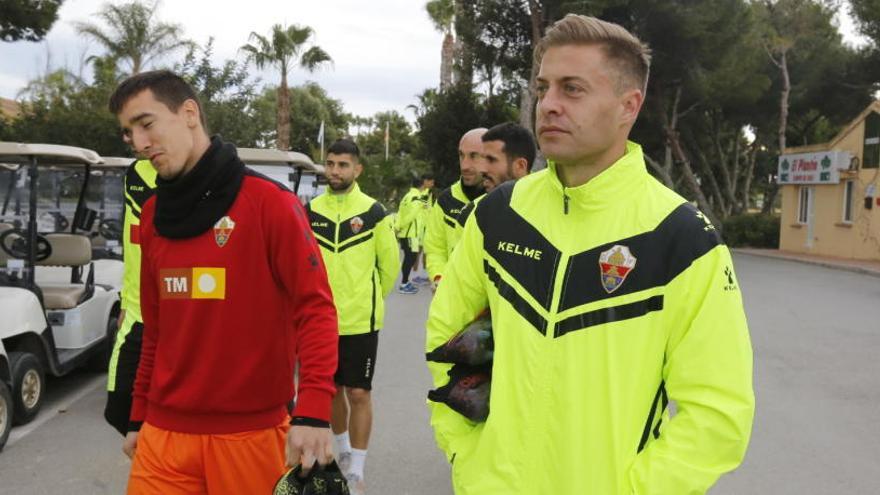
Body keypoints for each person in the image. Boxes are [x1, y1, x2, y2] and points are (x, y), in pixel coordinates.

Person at [425, 14, 754, 494]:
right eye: (544, 88)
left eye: (572, 89)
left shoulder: (682, 237)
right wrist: (466, 453)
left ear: (629, 105)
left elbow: (717, 412)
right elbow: (446, 337)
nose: (549, 105)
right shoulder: (499, 215)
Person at [109, 70, 339, 495]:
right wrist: (138, 417)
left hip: (250, 436)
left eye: (147, 124)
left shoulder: (270, 203)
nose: (140, 144)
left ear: (189, 113)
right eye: (129, 133)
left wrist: (312, 412)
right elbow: (155, 332)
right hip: (163, 438)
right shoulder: (153, 215)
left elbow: (316, 309)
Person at [305, 139, 399, 495]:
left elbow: (388, 269)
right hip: (320, 321)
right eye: (330, 164)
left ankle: (356, 469)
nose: (335, 171)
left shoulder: (375, 212)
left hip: (361, 321)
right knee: (330, 390)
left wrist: (367, 299)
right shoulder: (310, 210)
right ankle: (342, 451)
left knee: (359, 392)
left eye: (343, 165)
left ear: (357, 169)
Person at [103, 159, 156, 436]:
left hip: (181, 317)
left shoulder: (201, 176)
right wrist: (124, 301)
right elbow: (131, 247)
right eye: (128, 131)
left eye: (146, 125)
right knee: (118, 408)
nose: (135, 139)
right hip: (136, 312)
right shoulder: (135, 172)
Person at [453, 122, 537, 244]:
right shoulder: (473, 213)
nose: (482, 169)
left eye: (491, 160)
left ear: (520, 166)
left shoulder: (553, 210)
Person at [423, 128, 486, 288]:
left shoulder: (506, 198)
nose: (465, 165)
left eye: (473, 156)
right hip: (452, 300)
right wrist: (439, 278)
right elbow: (435, 248)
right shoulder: (446, 200)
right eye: (461, 155)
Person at [395, 174, 432, 293]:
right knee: (410, 258)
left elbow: (400, 212)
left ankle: (406, 281)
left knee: (409, 258)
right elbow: (411, 216)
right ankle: (404, 284)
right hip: (411, 234)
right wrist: (400, 226)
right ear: (422, 185)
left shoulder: (407, 196)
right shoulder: (416, 198)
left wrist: (398, 226)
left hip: (410, 234)